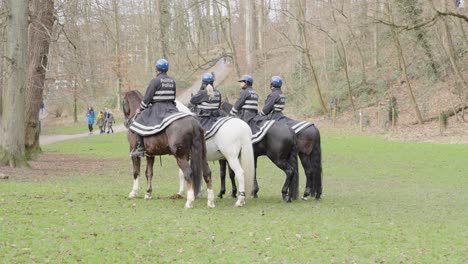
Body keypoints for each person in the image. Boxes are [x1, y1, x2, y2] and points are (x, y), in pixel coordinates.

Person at [129, 58, 192, 157]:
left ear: (157, 69)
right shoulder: (172, 81)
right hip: (171, 107)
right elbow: (173, 97)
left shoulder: (155, 81)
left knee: (138, 121)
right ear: (167, 69)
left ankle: (140, 149)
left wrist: (141, 108)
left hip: (158, 108)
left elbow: (147, 99)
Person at [229, 74, 274, 144]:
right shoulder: (255, 93)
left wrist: (231, 114)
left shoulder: (244, 92)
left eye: (242, 82)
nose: (240, 83)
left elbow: (237, 105)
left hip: (245, 116)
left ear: (246, 82)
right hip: (254, 115)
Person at [190, 73, 229, 139]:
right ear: (212, 82)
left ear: (203, 83)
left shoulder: (203, 92)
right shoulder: (218, 93)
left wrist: (200, 90)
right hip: (216, 116)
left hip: (204, 118)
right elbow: (219, 106)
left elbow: (192, 101)